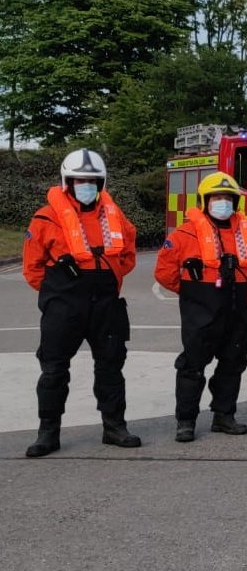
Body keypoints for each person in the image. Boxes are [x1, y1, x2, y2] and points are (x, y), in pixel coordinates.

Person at [22, 148, 141, 457]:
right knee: (53, 370)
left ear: (101, 183)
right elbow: (33, 268)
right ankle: (48, 433)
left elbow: (127, 256)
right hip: (64, 306)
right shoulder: (46, 218)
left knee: (111, 366)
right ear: (67, 182)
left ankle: (114, 427)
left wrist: (109, 277)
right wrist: (57, 293)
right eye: (79, 180)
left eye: (92, 180)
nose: (86, 185)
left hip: (106, 304)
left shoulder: (115, 216)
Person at [155, 172, 247, 442]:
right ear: (204, 201)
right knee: (192, 364)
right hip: (201, 309)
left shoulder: (246, 231)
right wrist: (192, 294)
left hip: (236, 307)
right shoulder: (184, 234)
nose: (222, 202)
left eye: (228, 198)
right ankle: (186, 421)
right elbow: (164, 272)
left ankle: (224, 415)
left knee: (234, 362)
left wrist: (242, 293)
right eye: (216, 197)